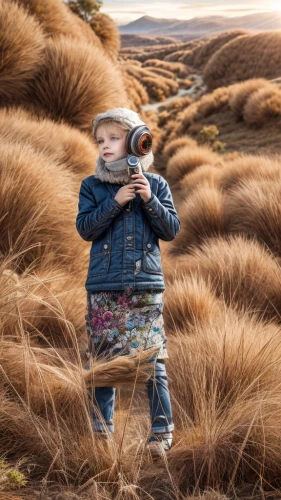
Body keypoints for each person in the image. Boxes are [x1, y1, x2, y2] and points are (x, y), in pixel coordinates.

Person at [76, 107, 180, 457]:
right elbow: (85, 228)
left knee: (152, 361)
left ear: (137, 140)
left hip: (145, 290)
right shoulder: (92, 186)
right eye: (100, 140)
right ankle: (101, 434)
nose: (105, 145)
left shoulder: (157, 184)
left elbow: (171, 230)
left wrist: (148, 199)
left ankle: (161, 433)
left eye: (114, 138)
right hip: (104, 289)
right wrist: (116, 203)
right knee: (103, 364)